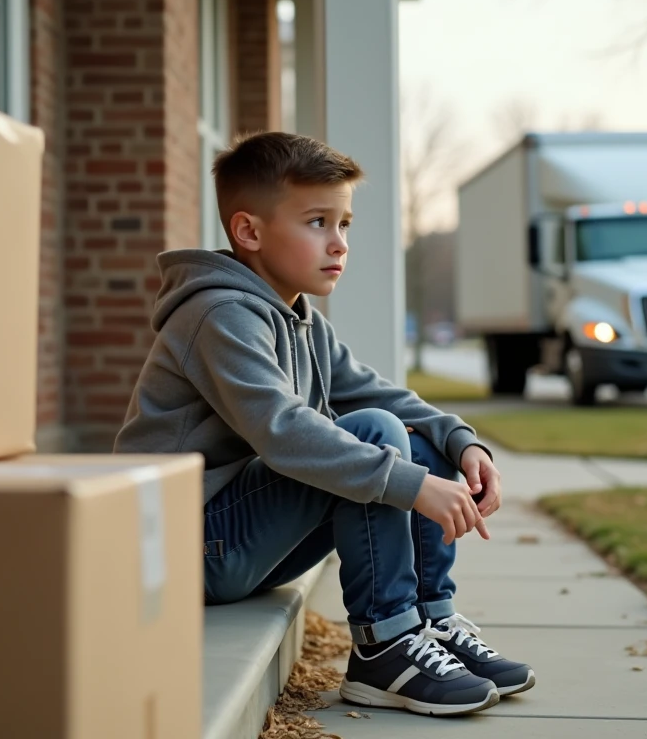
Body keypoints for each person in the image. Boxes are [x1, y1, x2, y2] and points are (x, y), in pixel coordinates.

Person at [114, 131, 535, 717]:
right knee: (377, 436)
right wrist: (412, 485)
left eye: (345, 224)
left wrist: (459, 440)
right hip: (187, 547)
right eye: (318, 222)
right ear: (249, 232)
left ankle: (430, 623)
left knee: (415, 437)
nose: (338, 243)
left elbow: (379, 392)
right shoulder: (219, 315)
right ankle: (383, 647)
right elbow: (282, 431)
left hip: (237, 539)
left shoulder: (297, 317)